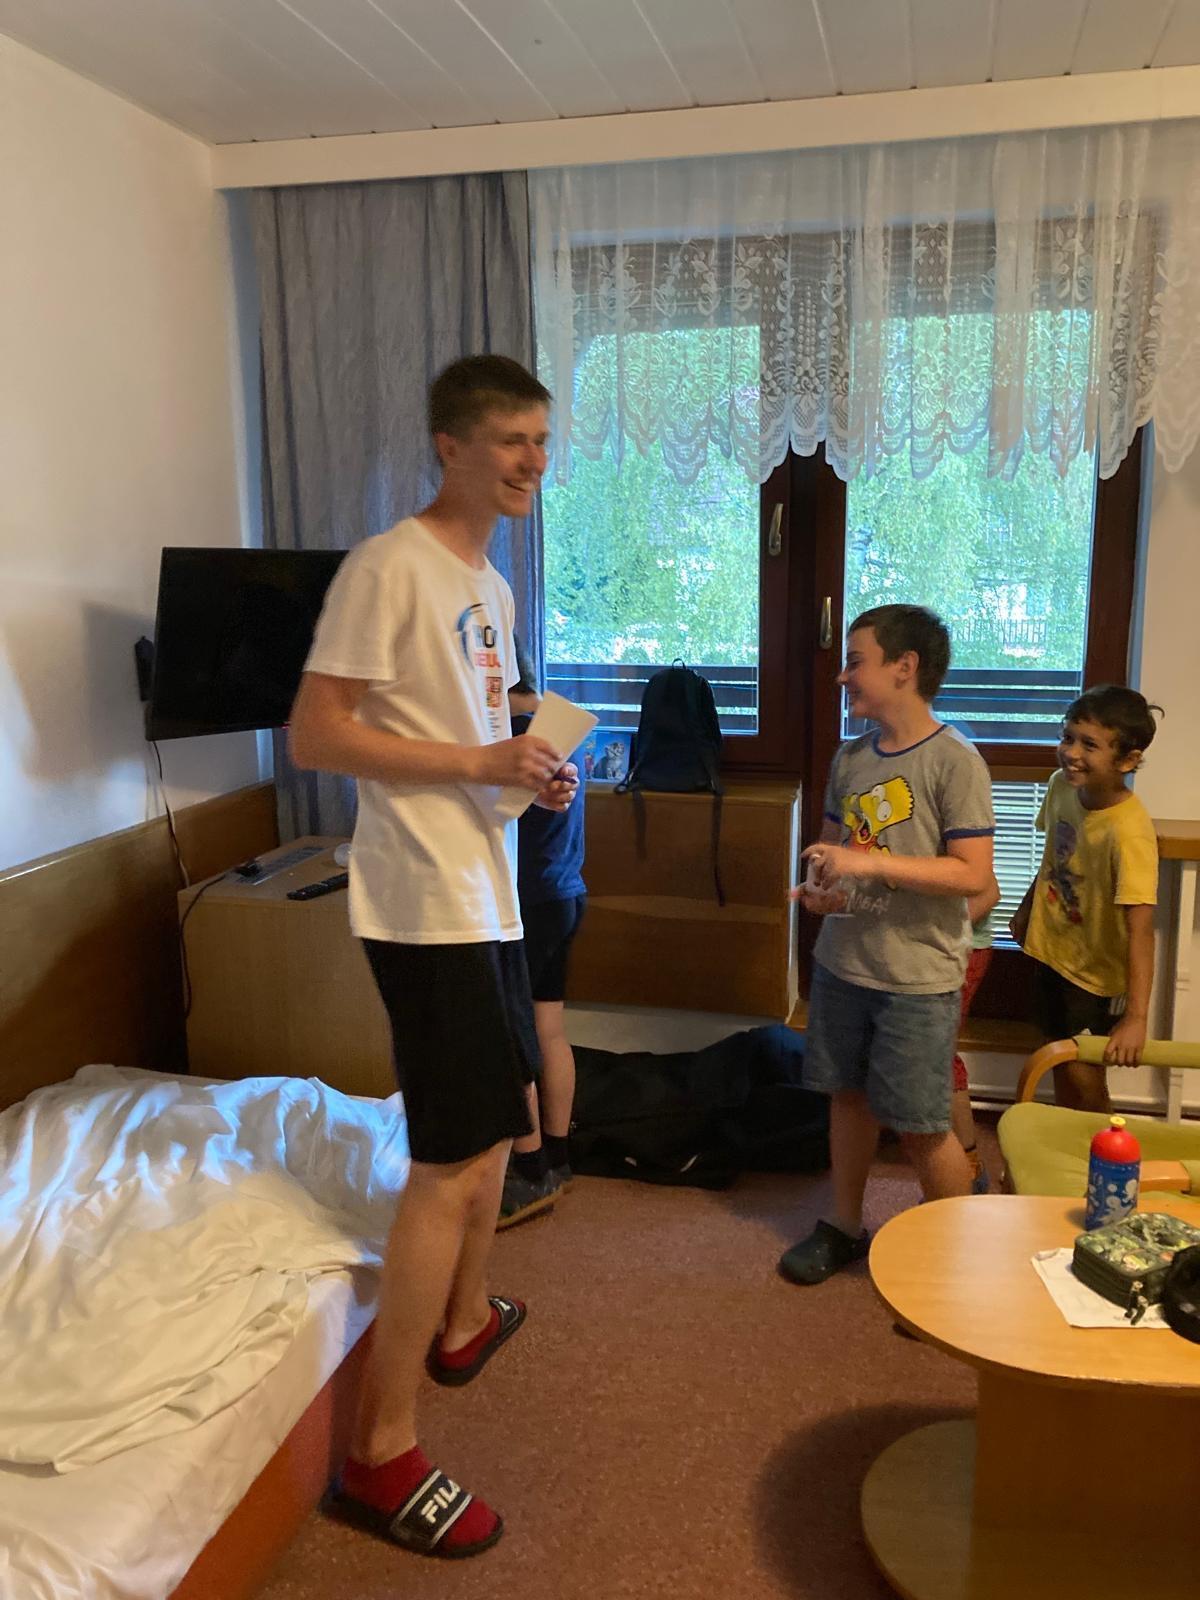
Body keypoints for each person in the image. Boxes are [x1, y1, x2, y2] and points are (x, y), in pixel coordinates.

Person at [287, 353, 578, 1560]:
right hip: (421, 904)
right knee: (449, 1166)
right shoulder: (387, 566)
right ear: (450, 445)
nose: (532, 462)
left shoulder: (489, 584)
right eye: (511, 440)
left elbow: (476, 725)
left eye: (542, 441)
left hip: (486, 885)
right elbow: (316, 731)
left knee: (503, 1128)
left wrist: (527, 763)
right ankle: (378, 1449)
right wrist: (477, 762)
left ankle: (461, 1318)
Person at [781, 604, 995, 1287]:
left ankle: (955, 1263)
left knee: (922, 1124)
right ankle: (845, 1226)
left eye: (856, 661)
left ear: (905, 668)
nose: (843, 676)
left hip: (917, 979)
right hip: (844, 965)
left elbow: (973, 875)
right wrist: (824, 891)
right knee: (847, 1097)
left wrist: (868, 866)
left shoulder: (955, 760)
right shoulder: (850, 758)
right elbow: (836, 856)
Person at [1009, 686, 1161, 1112]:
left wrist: (1136, 1017)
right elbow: (1053, 859)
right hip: (1053, 952)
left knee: (1085, 1076)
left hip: (1096, 977)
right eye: (1067, 737)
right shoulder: (1060, 786)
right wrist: (1026, 908)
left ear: (1127, 761)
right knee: (1057, 1056)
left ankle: (1103, 1148)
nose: (1071, 752)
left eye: (1089, 745)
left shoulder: (1129, 831)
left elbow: (1141, 930)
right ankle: (1069, 1143)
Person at [498, 636, 587, 1228]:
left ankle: (528, 1169)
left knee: (515, 1037)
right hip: (566, 893)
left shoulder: (510, 737)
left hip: (525, 902)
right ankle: (557, 1153)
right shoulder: (560, 724)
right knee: (549, 1029)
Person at [951, 879, 1001, 1193]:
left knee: (939, 1055)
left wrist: (934, 929)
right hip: (924, 950)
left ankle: (970, 1169)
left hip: (961, 949)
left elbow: (990, 892)